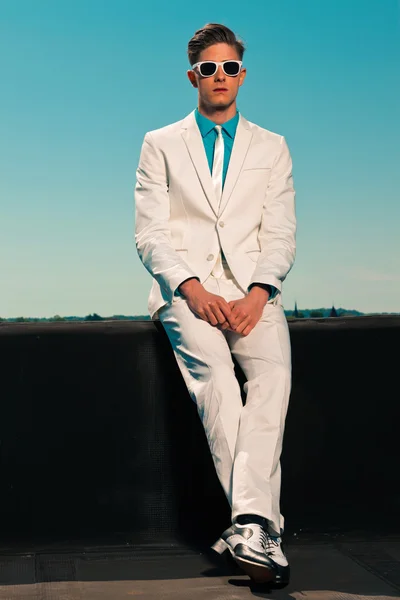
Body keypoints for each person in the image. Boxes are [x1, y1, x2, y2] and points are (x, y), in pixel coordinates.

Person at [134, 22, 296, 587]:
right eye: (209, 68)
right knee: (219, 386)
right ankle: (261, 526)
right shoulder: (160, 143)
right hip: (187, 294)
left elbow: (280, 235)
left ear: (242, 75)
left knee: (273, 380)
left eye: (229, 67)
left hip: (255, 294)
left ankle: (250, 528)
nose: (220, 76)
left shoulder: (272, 147)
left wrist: (258, 294)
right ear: (193, 77)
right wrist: (193, 289)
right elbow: (150, 234)